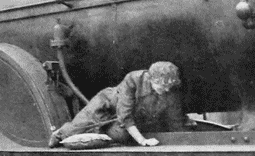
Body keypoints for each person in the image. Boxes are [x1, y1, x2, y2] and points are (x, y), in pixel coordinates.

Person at [49, 61, 189, 148]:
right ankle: (59, 134)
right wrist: (142, 141)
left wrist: (184, 140)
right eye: (162, 85)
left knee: (120, 136)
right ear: (151, 78)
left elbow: (175, 121)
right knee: (78, 127)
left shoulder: (170, 90)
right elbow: (125, 115)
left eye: (169, 87)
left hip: (129, 117)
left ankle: (103, 134)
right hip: (107, 104)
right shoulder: (133, 80)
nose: (166, 90)